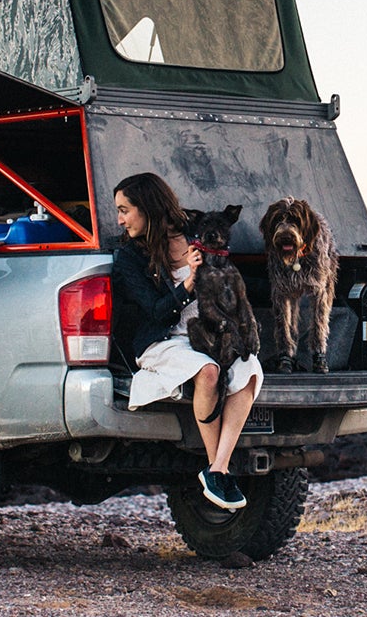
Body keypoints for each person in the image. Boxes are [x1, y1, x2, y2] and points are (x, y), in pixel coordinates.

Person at [111, 172, 263, 512]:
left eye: (125, 210)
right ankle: (219, 470)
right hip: (164, 339)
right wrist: (190, 282)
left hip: (210, 330)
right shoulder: (130, 258)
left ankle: (217, 469)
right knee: (207, 371)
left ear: (148, 207)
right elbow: (155, 311)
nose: (120, 220)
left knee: (248, 368)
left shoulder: (197, 231)